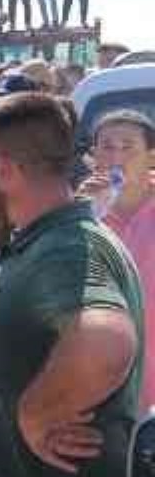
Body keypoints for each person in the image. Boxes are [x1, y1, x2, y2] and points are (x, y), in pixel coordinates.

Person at [0, 93, 155, 477]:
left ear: (4, 170)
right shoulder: (51, 238)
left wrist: (36, 413)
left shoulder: (64, 248)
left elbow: (105, 339)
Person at [80, 109, 155, 410]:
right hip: (100, 384)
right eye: (107, 147)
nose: (116, 157)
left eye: (128, 147)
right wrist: (82, 215)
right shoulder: (80, 214)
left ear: (151, 157)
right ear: (94, 156)